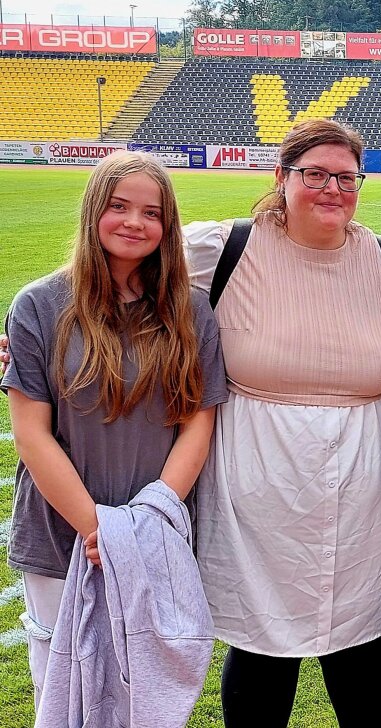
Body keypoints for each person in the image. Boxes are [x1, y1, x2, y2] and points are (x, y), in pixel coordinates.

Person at [182, 118, 381, 727]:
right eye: (315, 174)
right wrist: (30, 325)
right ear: (281, 178)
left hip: (364, 482)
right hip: (256, 480)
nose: (332, 188)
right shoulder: (223, 249)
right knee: (260, 642)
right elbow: (121, 279)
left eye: (345, 177)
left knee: (359, 639)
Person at [1, 151, 227, 712]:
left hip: (157, 533)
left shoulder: (190, 311)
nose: (134, 222)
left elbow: (199, 421)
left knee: (142, 689)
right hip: (62, 535)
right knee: (61, 689)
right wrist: (97, 529)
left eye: (151, 212)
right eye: (119, 206)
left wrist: (147, 521)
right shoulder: (39, 304)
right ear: (93, 210)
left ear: (167, 226)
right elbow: (32, 434)